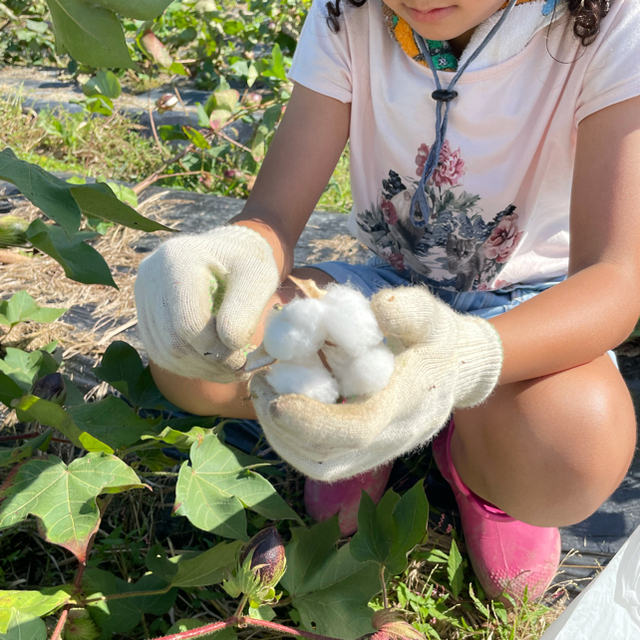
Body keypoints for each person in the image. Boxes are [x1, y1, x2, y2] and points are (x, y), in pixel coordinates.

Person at [134, 0, 640, 602]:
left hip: (526, 312)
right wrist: (235, 253)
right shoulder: (347, 13)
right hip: (385, 294)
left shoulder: (611, 23)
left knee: (574, 447)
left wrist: (466, 359)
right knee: (195, 355)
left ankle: (475, 467)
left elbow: (614, 277)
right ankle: (363, 427)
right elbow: (273, 213)